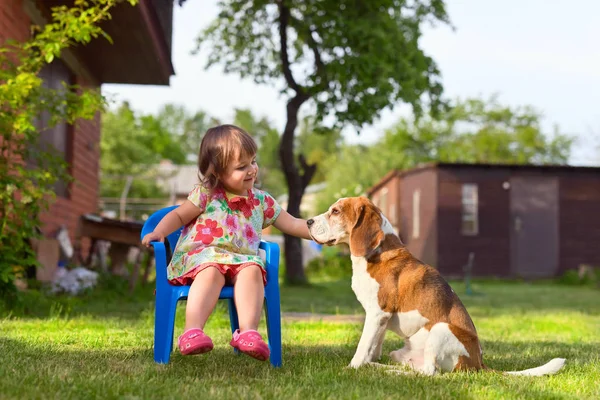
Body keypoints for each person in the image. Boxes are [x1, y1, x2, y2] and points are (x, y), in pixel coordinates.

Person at [142, 124, 310, 361]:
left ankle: (249, 333)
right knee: (212, 271)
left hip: (240, 261)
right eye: (242, 167)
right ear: (218, 173)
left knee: (253, 268)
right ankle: (192, 331)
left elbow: (292, 224)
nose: (252, 170)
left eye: (253, 161)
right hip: (202, 259)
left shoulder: (261, 201)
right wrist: (160, 232)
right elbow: (179, 216)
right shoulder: (206, 194)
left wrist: (323, 232)